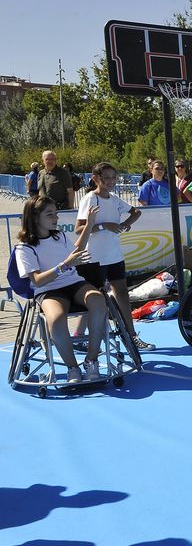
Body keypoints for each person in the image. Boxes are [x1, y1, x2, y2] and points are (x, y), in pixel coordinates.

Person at [15, 196, 107, 382]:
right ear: (34, 218)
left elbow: (74, 253)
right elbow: (38, 280)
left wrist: (89, 225)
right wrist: (64, 265)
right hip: (49, 290)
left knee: (98, 300)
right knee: (56, 319)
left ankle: (91, 361)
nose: (55, 218)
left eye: (55, 213)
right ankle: (73, 368)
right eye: (50, 214)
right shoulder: (24, 248)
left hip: (74, 283)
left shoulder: (59, 235)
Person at [75, 162, 153, 351]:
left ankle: (131, 335)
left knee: (123, 294)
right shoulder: (89, 199)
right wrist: (105, 226)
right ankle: (79, 337)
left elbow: (136, 212)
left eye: (113, 177)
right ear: (96, 179)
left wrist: (125, 224)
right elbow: (79, 229)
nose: (111, 181)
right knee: (94, 298)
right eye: (106, 177)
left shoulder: (115, 198)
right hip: (94, 259)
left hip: (114, 256)